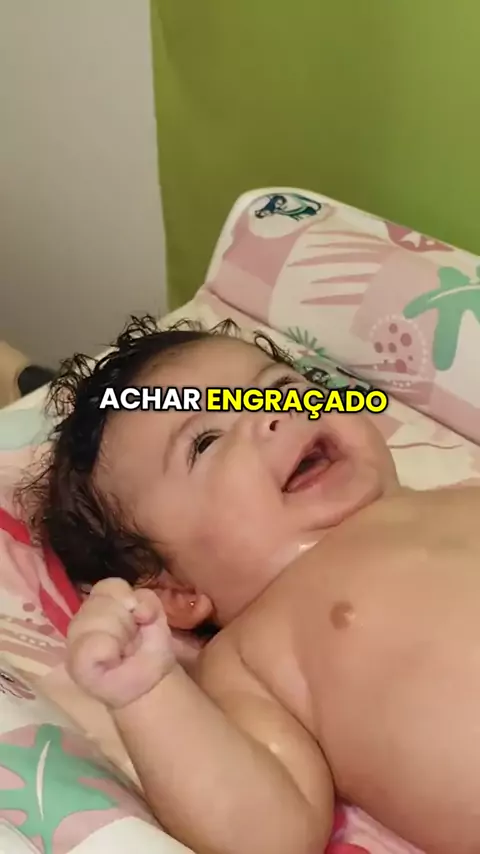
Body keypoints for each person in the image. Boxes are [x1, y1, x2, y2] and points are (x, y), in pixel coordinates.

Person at [25, 316, 480, 854]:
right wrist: (147, 694)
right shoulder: (251, 655)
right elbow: (268, 835)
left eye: (279, 388)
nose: (273, 415)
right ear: (174, 591)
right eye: (206, 441)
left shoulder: (458, 492)